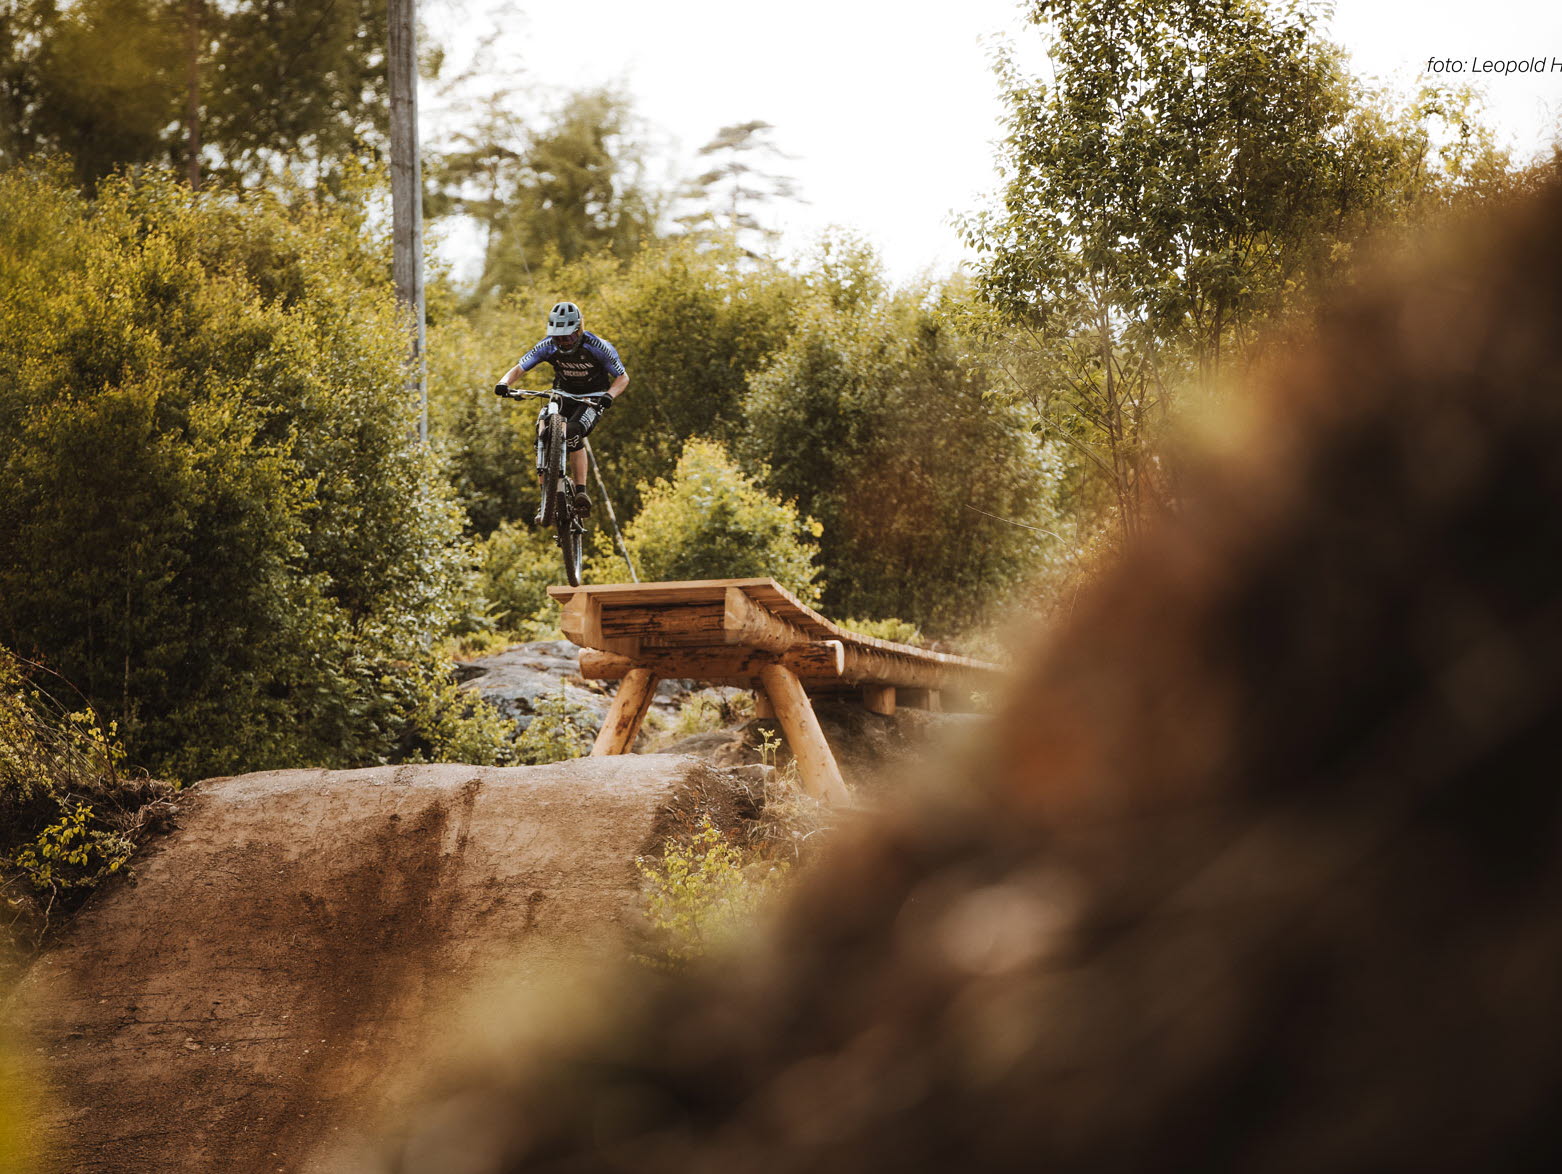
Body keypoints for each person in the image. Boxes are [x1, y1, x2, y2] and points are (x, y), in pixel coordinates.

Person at [494, 301, 629, 522]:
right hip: (562, 394)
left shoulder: (597, 346)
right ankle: (546, 498)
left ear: (579, 330)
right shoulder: (547, 346)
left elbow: (623, 377)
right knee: (542, 428)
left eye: (568, 337)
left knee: (573, 432)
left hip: (592, 398)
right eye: (558, 337)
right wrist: (504, 382)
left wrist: (609, 396)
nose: (563, 342)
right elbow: (520, 367)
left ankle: (580, 490)